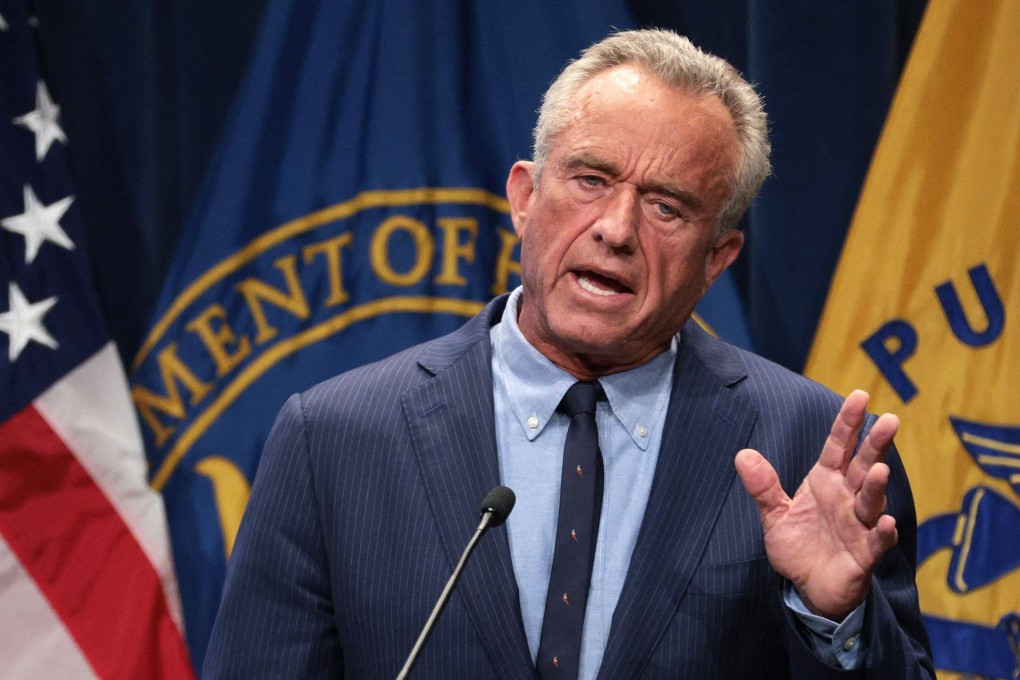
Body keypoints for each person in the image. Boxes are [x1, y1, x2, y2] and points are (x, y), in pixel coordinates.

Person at [203, 29, 933, 679]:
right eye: (590, 179)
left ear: (718, 257)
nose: (616, 229)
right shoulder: (335, 438)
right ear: (524, 197)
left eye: (666, 207)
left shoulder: (812, 449)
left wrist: (833, 621)